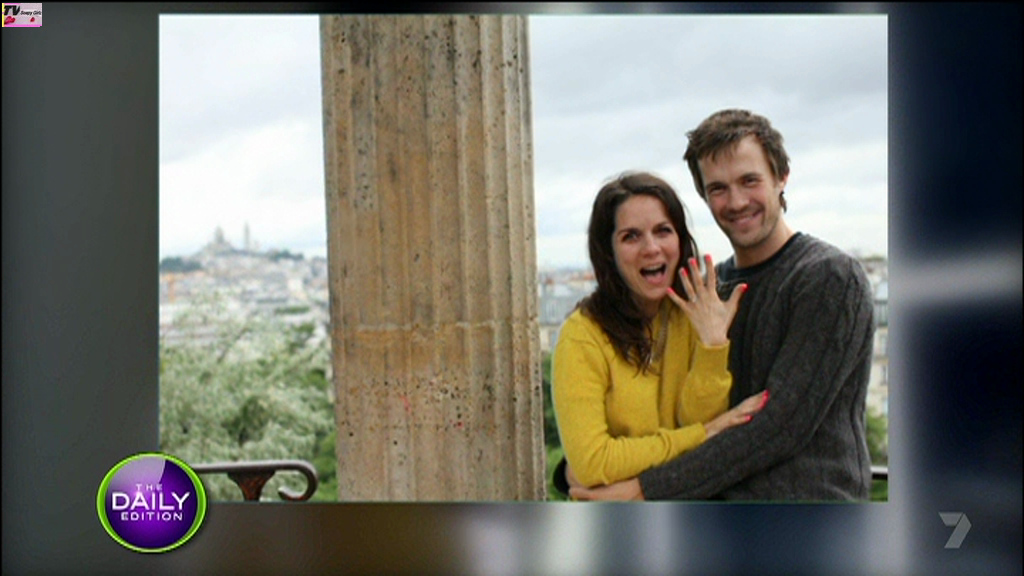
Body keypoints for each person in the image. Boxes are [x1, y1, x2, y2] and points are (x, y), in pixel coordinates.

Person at [569, 109, 876, 501]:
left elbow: (778, 427)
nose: (736, 201)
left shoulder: (830, 278)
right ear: (703, 197)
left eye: (750, 181)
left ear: (782, 177)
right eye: (717, 189)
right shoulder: (706, 291)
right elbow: (670, 419)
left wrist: (642, 491)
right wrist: (585, 464)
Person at [551, 171, 768, 492]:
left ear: (680, 240)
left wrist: (712, 345)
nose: (651, 248)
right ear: (609, 252)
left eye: (663, 231)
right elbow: (592, 462)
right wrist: (703, 434)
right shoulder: (582, 336)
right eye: (631, 237)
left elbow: (704, 438)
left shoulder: (698, 313)